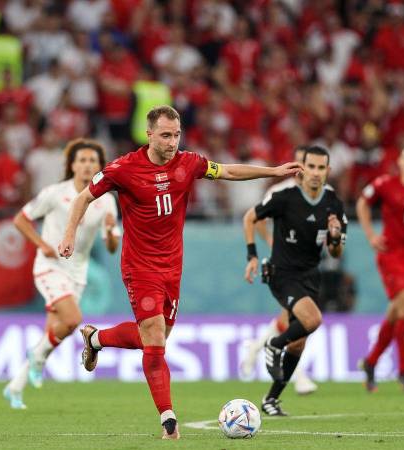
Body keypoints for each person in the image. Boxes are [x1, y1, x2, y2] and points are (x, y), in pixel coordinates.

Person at [58, 105, 302, 439]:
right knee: (155, 339)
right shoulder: (123, 168)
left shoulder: (189, 164)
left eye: (176, 135)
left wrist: (273, 172)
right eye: (165, 135)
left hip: (172, 268)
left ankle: (96, 338)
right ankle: (169, 422)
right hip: (139, 267)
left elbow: (228, 172)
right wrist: (70, 233)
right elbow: (83, 198)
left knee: (155, 337)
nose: (172, 142)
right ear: (149, 134)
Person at [4, 138, 120, 409]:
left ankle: (15, 387)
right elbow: (21, 218)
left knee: (55, 332)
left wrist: (112, 230)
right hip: (50, 267)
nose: (87, 165)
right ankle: (37, 357)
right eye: (82, 160)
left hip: (78, 273)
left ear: (100, 167)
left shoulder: (106, 201)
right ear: (72, 165)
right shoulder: (55, 193)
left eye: (92, 161)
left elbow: (112, 246)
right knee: (73, 319)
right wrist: (42, 244)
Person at [243, 145, 346, 416]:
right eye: (310, 166)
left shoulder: (333, 203)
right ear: (302, 168)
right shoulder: (285, 196)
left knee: (299, 341)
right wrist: (253, 255)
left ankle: (271, 399)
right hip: (282, 273)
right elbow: (250, 217)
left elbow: (336, 252)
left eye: (320, 168)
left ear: (327, 171)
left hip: (310, 276)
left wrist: (335, 236)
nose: (314, 172)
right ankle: (273, 344)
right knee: (312, 320)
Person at [240, 146, 318, 395]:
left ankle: (255, 347)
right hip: (283, 267)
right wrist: (271, 243)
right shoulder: (280, 191)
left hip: (306, 266)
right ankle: (300, 376)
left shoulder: (320, 194)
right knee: (300, 320)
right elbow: (255, 218)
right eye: (298, 162)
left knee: (290, 320)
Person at [356, 142, 404, 393]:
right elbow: (362, 202)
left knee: (397, 311)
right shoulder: (385, 184)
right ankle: (403, 371)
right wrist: (371, 234)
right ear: (400, 162)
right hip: (391, 253)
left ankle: (371, 363)